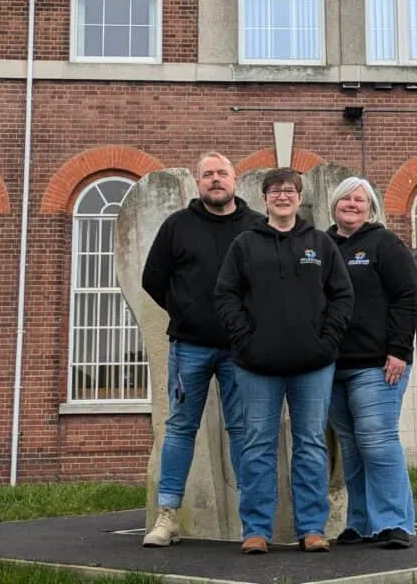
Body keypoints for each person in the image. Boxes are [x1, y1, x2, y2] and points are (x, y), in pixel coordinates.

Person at [214, 168, 354, 555]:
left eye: (289, 191)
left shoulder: (320, 245)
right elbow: (225, 296)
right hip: (255, 366)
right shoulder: (244, 244)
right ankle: (255, 530)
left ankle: (311, 528)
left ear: (298, 197)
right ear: (265, 199)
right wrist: (246, 339)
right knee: (257, 445)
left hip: (313, 366)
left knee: (310, 445)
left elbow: (342, 296)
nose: (282, 196)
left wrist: (326, 343)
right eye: (275, 191)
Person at [140, 151, 263, 547]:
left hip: (240, 350)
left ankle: (252, 523)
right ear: (198, 183)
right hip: (189, 346)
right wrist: (187, 312)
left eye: (221, 173)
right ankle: (168, 516)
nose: (215, 180)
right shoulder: (177, 226)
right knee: (179, 430)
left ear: (235, 179)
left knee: (244, 432)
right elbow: (152, 279)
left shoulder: (257, 228)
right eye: (207, 174)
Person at [326, 176, 417, 550]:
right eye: (345, 198)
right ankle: (362, 522)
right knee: (351, 447)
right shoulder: (322, 245)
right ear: (334, 204)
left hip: (378, 365)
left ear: (371, 207)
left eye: (359, 199)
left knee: (378, 442)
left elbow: (407, 295)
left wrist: (399, 350)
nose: (352, 204)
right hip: (332, 368)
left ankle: (394, 523)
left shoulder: (386, 244)